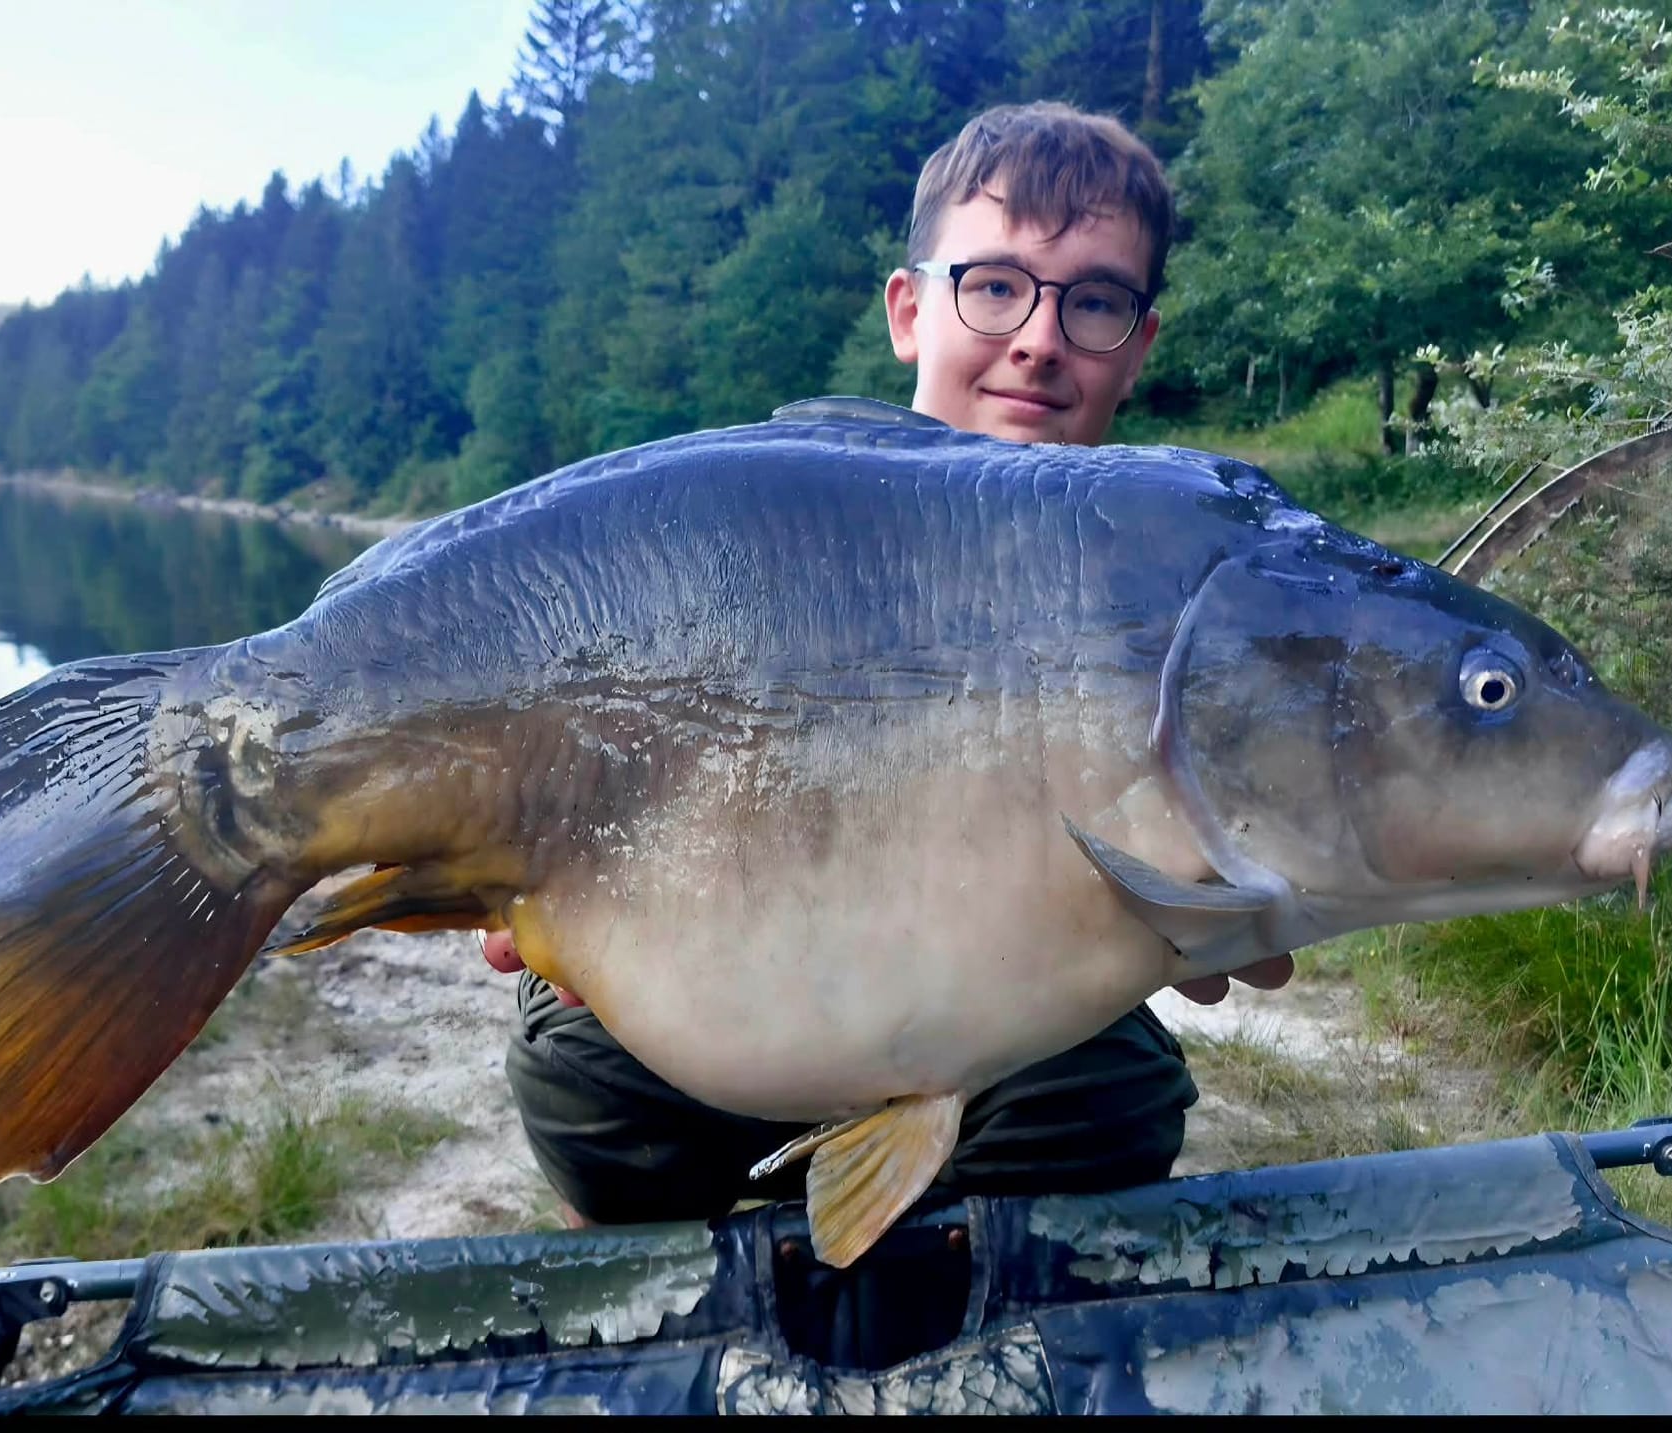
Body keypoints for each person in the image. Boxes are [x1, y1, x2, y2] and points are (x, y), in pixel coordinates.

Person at [489, 101, 1293, 1228]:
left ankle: (928, 1265)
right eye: (995, 286)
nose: (1039, 337)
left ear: (1138, 345)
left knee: (1108, 1106)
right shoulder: (775, 521)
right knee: (583, 1076)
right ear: (910, 311)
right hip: (716, 977)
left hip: (990, 1006)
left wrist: (1208, 894)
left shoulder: (1156, 585)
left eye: (1094, 301)